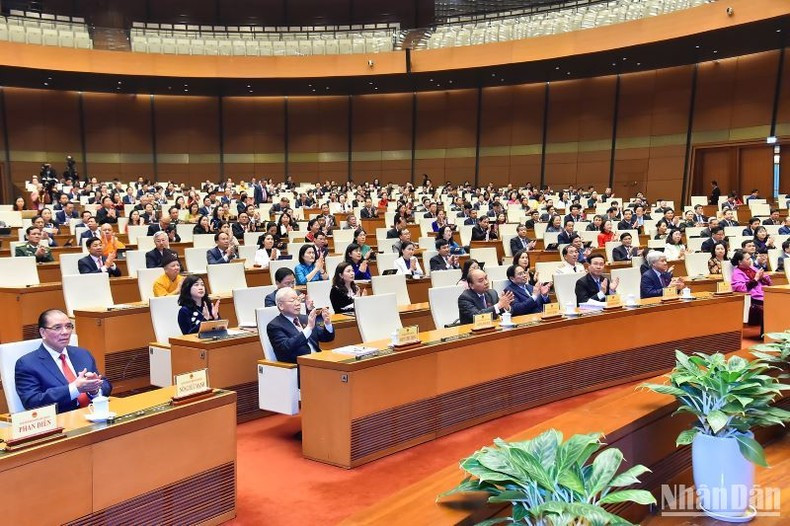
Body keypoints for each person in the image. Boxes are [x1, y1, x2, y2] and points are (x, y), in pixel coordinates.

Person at [15, 309, 112, 413]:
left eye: (68, 326)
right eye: (57, 328)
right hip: (61, 420)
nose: (65, 332)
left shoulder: (82, 354)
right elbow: (32, 401)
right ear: (42, 332)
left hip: (93, 413)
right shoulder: (27, 364)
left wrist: (94, 390)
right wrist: (75, 388)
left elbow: (105, 384)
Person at [267, 287, 335, 363]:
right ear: (281, 306)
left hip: (318, 360)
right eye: (292, 300)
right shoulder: (275, 325)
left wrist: (328, 324)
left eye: (298, 300)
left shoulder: (305, 318)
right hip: (300, 365)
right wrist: (308, 329)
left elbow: (326, 338)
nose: (297, 303)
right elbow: (285, 348)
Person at [731, 249, 771, 336]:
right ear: (740, 262)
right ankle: (766, 334)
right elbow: (741, 288)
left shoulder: (752, 268)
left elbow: (768, 281)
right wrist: (756, 279)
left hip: (764, 292)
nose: (750, 260)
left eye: (750, 258)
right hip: (753, 297)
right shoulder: (737, 273)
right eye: (748, 259)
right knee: (770, 305)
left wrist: (763, 277)